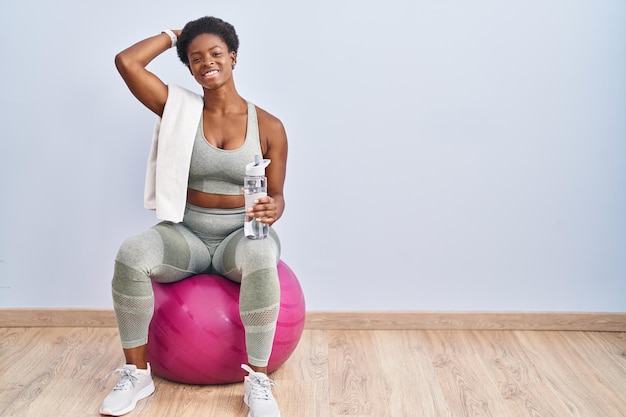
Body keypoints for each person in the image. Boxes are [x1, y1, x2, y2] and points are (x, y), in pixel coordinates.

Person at [100, 16, 288, 417]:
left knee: (259, 256)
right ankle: (138, 375)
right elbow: (127, 62)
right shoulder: (179, 109)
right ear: (188, 67)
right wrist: (172, 36)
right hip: (187, 232)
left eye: (216, 53)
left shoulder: (269, 126)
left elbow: (277, 195)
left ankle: (257, 380)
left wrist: (274, 208)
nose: (207, 63)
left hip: (242, 235)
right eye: (195, 58)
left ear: (233, 57)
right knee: (131, 254)